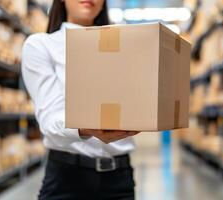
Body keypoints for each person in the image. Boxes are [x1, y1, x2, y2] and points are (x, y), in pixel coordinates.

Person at [21, 0, 139, 199]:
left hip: (119, 178)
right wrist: (86, 128)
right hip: (67, 178)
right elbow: (50, 121)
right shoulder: (41, 45)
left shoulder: (124, 48)